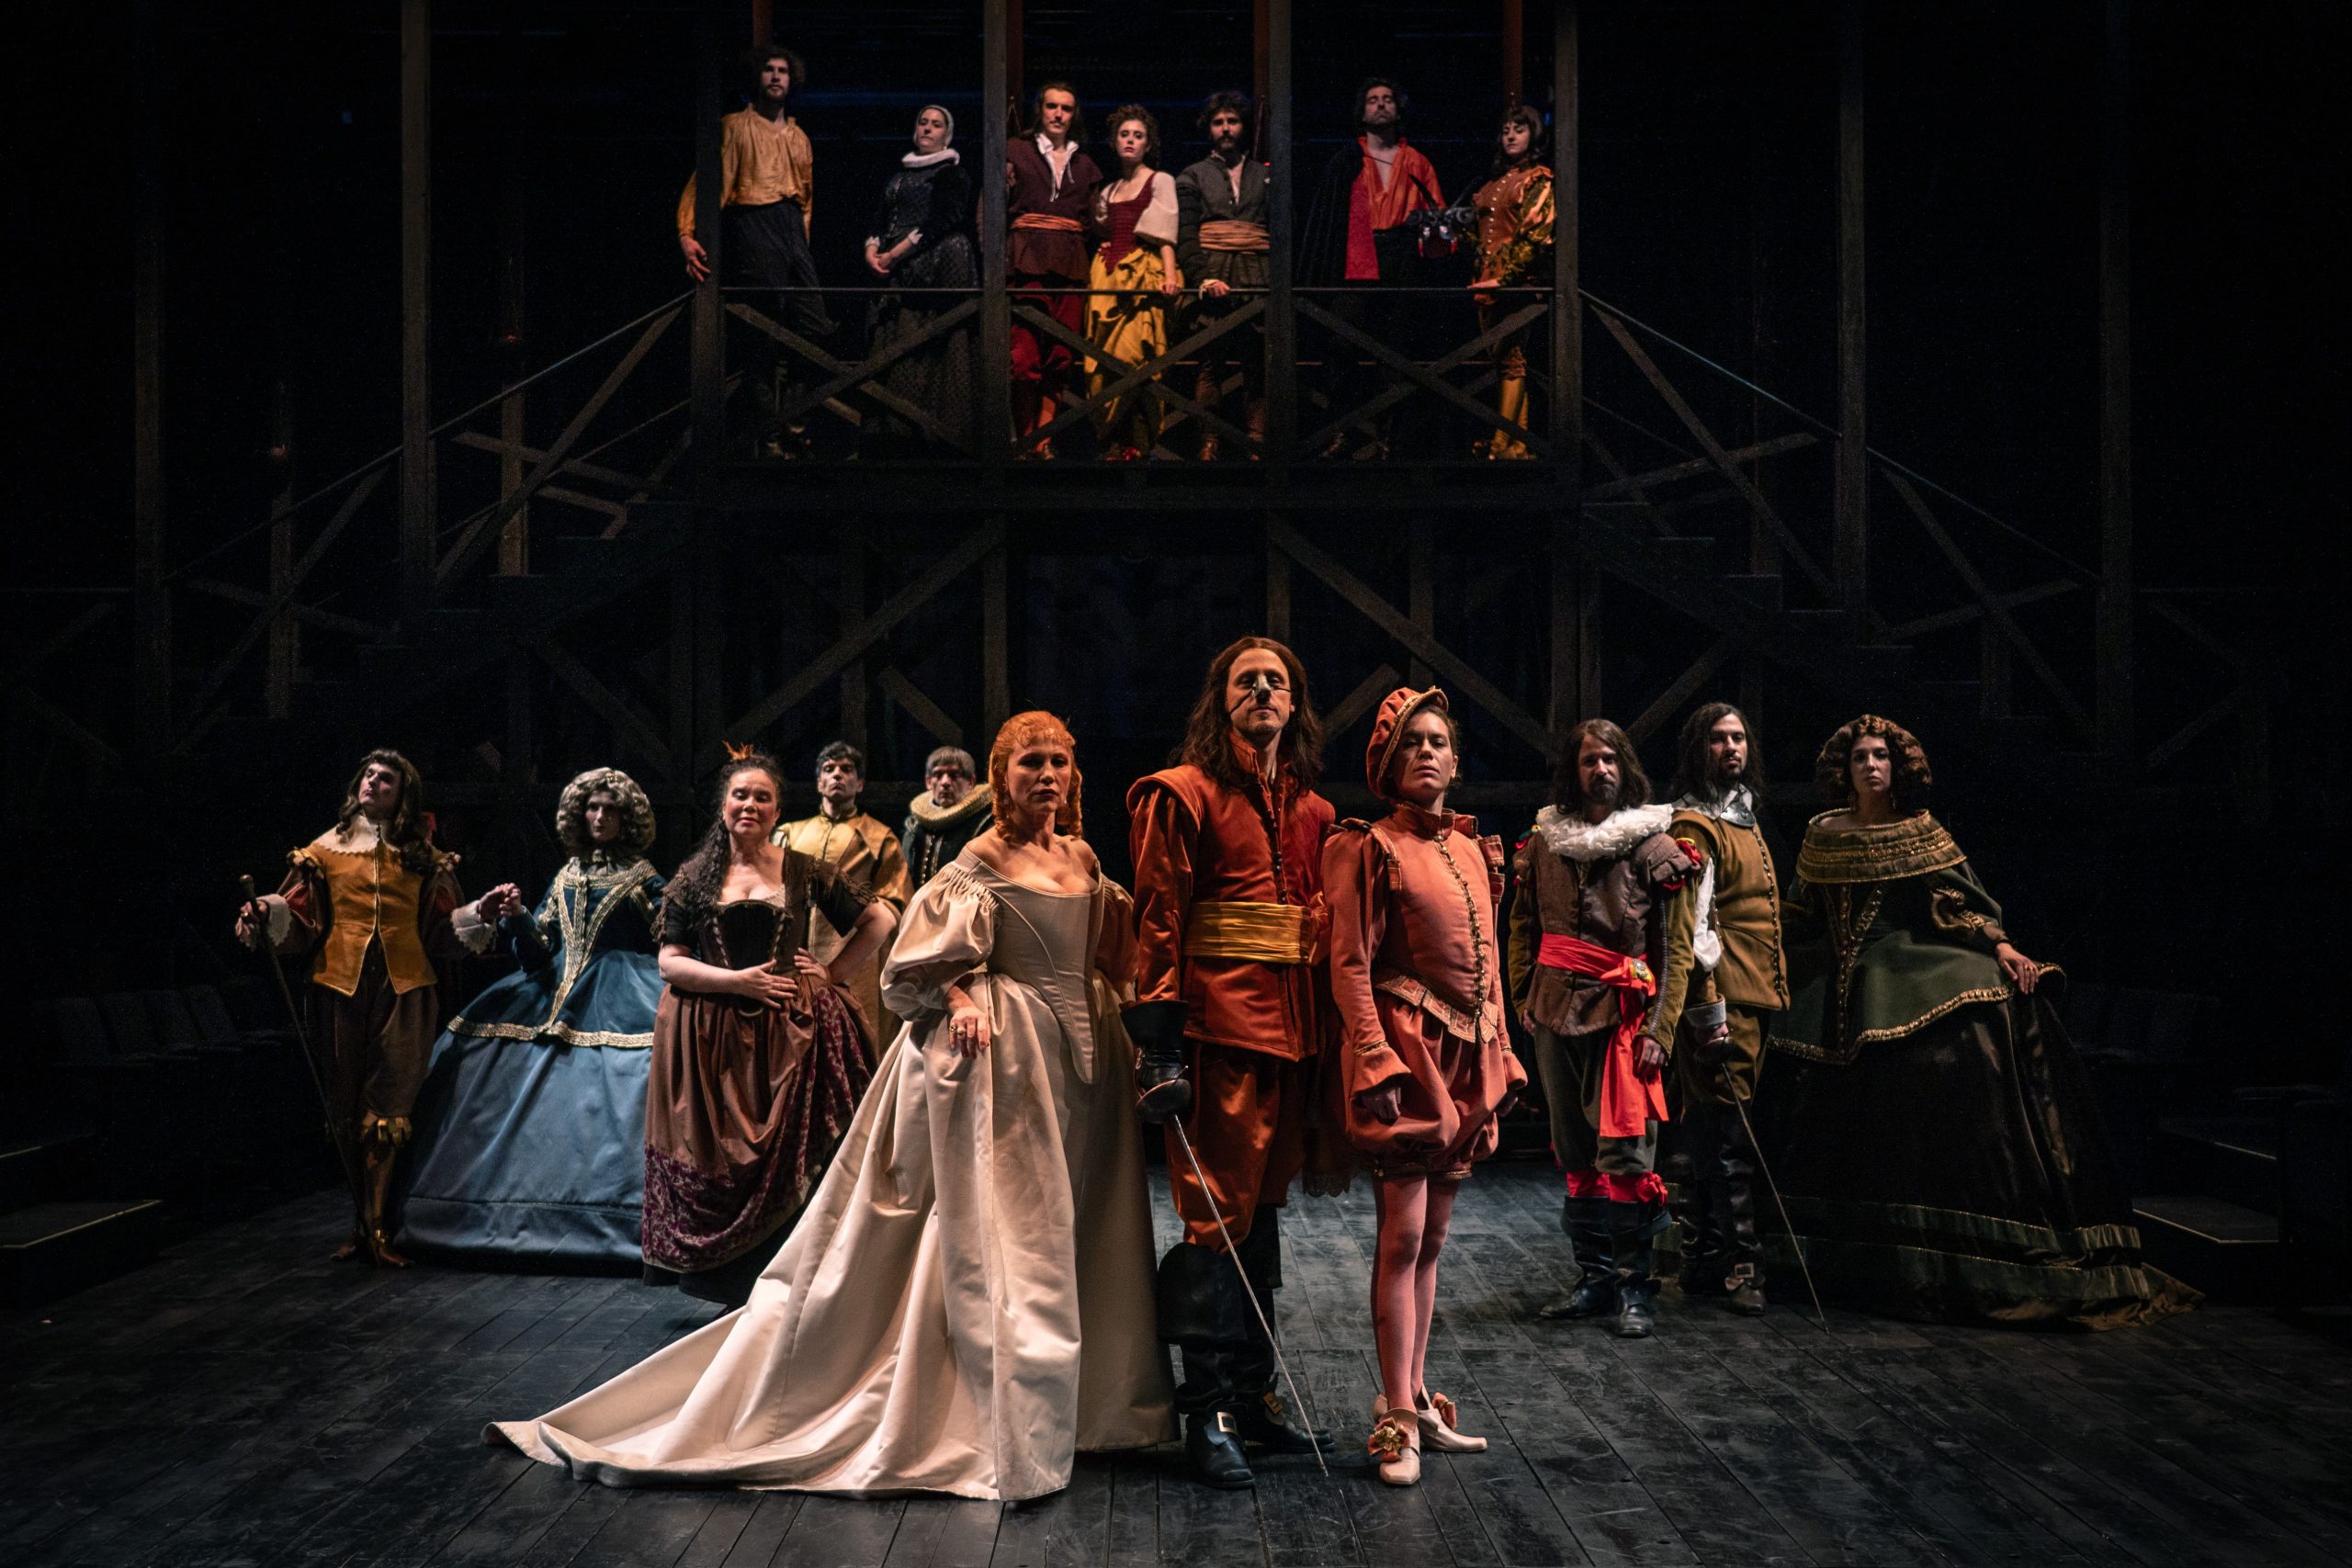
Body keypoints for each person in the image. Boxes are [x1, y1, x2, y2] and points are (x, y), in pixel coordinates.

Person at [491, 714, 1174, 1499]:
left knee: (1084, 1222)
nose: (1047, 775)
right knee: (1013, 1229)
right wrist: (961, 995)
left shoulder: (1081, 856)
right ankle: (1009, 1412)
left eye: (1058, 761)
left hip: (1083, 1061)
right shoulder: (978, 859)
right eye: (1030, 763)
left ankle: (1093, 1409)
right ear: (1001, 776)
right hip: (1002, 1059)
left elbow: (1103, 951)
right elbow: (914, 961)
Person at [1754, 716, 2195, 1327]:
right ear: (1844, 769)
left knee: (1971, 1023)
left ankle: (1939, 1249)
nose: (1872, 766)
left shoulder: (1920, 829)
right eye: (1860, 757)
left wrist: (2001, 945)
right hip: (1830, 971)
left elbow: (1954, 904)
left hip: (1899, 962)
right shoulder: (1822, 831)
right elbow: (1802, 910)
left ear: (1897, 766)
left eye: (1881, 756)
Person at [1126, 635, 1332, 1489]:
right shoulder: (1180, 794)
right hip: (1217, 1030)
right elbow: (1158, 918)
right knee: (1214, 1219)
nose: (1262, 692)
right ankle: (1206, 1413)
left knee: (1263, 1215)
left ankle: (1253, 1397)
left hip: (1294, 1031)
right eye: (1246, 681)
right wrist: (1159, 1043)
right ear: (1222, 700)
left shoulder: (1314, 811)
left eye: (1276, 682)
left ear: (1294, 702)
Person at [1321, 689, 1524, 1487]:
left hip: (1468, 1054)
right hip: (1411, 1055)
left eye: (1438, 741)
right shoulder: (1369, 846)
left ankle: (1412, 1393)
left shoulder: (1472, 848)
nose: (1428, 753)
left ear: (1456, 759)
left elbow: (1491, 963)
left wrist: (1502, 1051)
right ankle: (1397, 1418)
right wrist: (1374, 1056)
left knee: (1434, 1239)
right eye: (1412, 743)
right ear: (1387, 763)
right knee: (1402, 1237)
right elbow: (1349, 962)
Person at [235, 750, 511, 1267]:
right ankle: (360, 1224)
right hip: (340, 986)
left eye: (385, 779)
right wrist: (267, 911)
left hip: (405, 989)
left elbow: (441, 929)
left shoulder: (423, 857)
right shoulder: (325, 852)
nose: (373, 783)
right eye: (368, 775)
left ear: (403, 795)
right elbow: (300, 916)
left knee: (389, 1104)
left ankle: (379, 1222)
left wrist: (481, 912)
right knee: (344, 1102)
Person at [643, 747, 896, 1308]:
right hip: (712, 1035)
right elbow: (669, 962)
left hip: (794, 1032)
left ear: (777, 811)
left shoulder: (801, 869)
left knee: (801, 1147)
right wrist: (738, 983)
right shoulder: (695, 876)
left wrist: (832, 973)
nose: (750, 805)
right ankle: (733, 1285)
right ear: (724, 805)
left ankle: (801, 1283)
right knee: (718, 1151)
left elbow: (880, 918)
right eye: (741, 795)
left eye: (763, 797)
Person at [396, 769, 666, 1267]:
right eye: (592, 808)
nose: (600, 817)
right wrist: (518, 915)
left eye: (610, 809)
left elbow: (670, 940)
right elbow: (539, 952)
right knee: (471, 1054)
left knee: (626, 1084)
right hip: (549, 992)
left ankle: (624, 1216)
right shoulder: (566, 876)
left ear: (627, 818)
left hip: (622, 991)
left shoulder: (643, 879)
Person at [1504, 719, 1697, 1337]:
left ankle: (1635, 1287)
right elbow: (1523, 925)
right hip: (1554, 1012)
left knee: (1626, 1156)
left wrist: (1661, 1029)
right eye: (1590, 759)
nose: (1601, 769)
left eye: (1611, 758)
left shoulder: (1653, 845)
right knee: (1575, 1152)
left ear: (1626, 766)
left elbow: (1675, 949)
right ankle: (1594, 1279)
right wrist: (1523, 995)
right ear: (1574, 770)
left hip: (1624, 1016)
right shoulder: (1545, 844)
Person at [1649, 705, 1786, 1314]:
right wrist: (1708, 1013)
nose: (1731, 747)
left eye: (1738, 737)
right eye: (1717, 738)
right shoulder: (1696, 825)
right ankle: (1741, 1265)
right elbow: (1692, 929)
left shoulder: (1742, 817)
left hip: (1754, 992)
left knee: (1713, 1132)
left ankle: (1704, 1258)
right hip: (1723, 998)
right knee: (1730, 1139)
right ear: (1697, 748)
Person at [676, 43, 836, 459]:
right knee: (762, 334)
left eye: (783, 70)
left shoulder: (799, 137)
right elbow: (704, 179)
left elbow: (808, 199)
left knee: (815, 328)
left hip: (791, 228)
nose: (777, 76)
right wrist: (686, 232)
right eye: (769, 69)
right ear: (758, 78)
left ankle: (795, 425)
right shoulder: (734, 125)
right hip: (753, 222)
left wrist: (800, 243)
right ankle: (768, 437)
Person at [1300, 77, 1444, 458]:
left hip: (1402, 259)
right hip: (1356, 258)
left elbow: (1438, 222)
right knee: (1341, 344)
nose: (1381, 105)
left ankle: (1389, 437)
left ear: (1398, 109)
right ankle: (1342, 432)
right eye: (1373, 100)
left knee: (1396, 349)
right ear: (1362, 112)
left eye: (1388, 99)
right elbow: (1328, 221)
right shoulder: (1347, 160)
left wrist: (1434, 232)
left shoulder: (1417, 162)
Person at [775, 741, 913, 1041]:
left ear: (860, 783)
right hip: (797, 954)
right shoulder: (790, 833)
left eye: (847, 770)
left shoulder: (879, 837)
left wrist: (863, 915)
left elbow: (897, 901)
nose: (837, 774)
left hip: (855, 957)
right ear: (819, 783)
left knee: (855, 1037)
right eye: (829, 769)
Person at [863, 105, 977, 455]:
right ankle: (890, 433)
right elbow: (880, 217)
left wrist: (895, 254)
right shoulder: (898, 175)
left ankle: (935, 437)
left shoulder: (951, 174)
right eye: (923, 122)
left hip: (935, 269)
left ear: (947, 135)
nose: (927, 128)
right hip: (896, 270)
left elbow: (943, 219)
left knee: (932, 344)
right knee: (895, 342)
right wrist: (872, 249)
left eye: (936, 124)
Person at [1006, 83, 1103, 458]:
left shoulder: (1085, 165)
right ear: (1040, 110)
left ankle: (1043, 441)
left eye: (1066, 108)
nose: (1058, 114)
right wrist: (994, 261)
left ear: (1074, 114)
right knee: (1023, 359)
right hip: (1026, 262)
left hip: (1070, 267)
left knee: (1061, 359)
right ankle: (1024, 438)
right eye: (1051, 106)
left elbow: (1093, 222)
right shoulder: (1015, 151)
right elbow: (991, 207)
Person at [1174, 92, 1271, 461]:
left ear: (1243, 126)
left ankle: (1257, 441)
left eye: (1233, 121)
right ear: (1209, 129)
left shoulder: (1264, 174)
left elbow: (1280, 229)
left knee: (1256, 364)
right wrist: (1200, 277)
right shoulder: (1193, 174)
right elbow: (1186, 232)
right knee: (1209, 364)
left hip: (1255, 272)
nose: (1226, 128)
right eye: (1219, 122)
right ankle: (1209, 441)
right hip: (1213, 271)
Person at [1084, 106, 1182, 462]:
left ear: (1148, 144)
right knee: (1104, 360)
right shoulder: (1110, 189)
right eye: (1124, 135)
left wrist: (1169, 276)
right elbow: (1104, 229)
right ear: (1114, 142)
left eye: (1138, 136)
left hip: (1142, 273)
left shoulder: (1160, 181)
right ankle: (1111, 441)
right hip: (1109, 276)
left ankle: (1138, 443)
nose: (1130, 141)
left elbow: (1165, 236)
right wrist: (1107, 244)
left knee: (1138, 356)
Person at [1466, 105, 1555, 460]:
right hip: (1485, 280)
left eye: (1519, 129)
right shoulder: (1492, 184)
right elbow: (1481, 235)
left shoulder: (1537, 179)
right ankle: (1518, 444)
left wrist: (1506, 278)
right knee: (1504, 362)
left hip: (1516, 282)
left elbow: (1534, 236)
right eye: (1506, 130)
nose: (1511, 136)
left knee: (1512, 358)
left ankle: (1503, 441)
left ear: (1534, 134)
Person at [901, 744, 993, 887]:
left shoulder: (984, 824)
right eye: (938, 775)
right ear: (928, 782)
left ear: (971, 781)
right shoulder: (915, 826)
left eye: (954, 775)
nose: (945, 782)